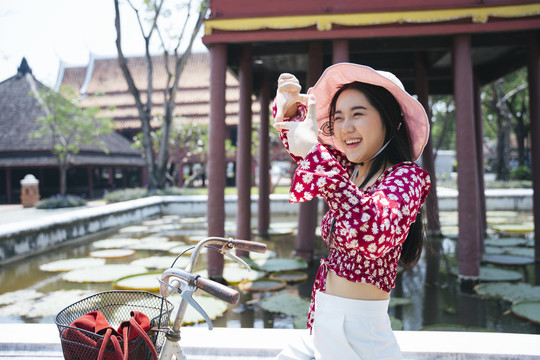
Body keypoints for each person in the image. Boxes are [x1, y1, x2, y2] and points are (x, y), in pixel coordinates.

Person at [272, 63, 432, 360]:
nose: (345, 128)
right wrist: (290, 104)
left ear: (391, 119)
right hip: (323, 322)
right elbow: (300, 144)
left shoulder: (407, 178)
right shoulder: (351, 169)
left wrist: (312, 152)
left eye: (357, 114)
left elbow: (374, 231)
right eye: (338, 118)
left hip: (360, 336)